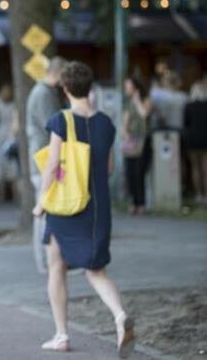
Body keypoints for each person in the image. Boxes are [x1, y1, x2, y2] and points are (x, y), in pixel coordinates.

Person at [34, 61, 134, 356]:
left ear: (64, 88)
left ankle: (61, 334)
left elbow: (52, 167)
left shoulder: (60, 121)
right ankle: (119, 315)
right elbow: (110, 168)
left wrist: (41, 202)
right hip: (97, 207)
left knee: (56, 267)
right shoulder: (106, 123)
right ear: (90, 88)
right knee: (96, 270)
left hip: (66, 205)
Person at [26, 56, 67, 273]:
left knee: (45, 209)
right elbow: (53, 127)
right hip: (44, 159)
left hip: (43, 158)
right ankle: (46, 261)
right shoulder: (44, 94)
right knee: (43, 210)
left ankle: (50, 260)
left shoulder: (44, 92)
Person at [122, 77, 152, 215]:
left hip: (143, 140)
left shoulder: (146, 100)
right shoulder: (127, 103)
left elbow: (144, 114)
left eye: (128, 86)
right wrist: (125, 134)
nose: (126, 89)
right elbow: (125, 122)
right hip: (131, 140)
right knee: (130, 173)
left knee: (139, 172)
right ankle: (134, 202)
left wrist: (137, 100)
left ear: (135, 88)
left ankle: (141, 203)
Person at [0, 84, 19, 203]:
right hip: (11, 132)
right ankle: (15, 195)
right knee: (12, 163)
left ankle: (1, 196)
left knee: (0, 163)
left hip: (1, 132)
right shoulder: (14, 104)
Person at [184, 80, 207, 203]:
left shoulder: (189, 106)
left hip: (192, 139)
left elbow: (186, 123)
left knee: (195, 168)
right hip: (205, 139)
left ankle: (198, 194)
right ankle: (206, 195)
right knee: (205, 167)